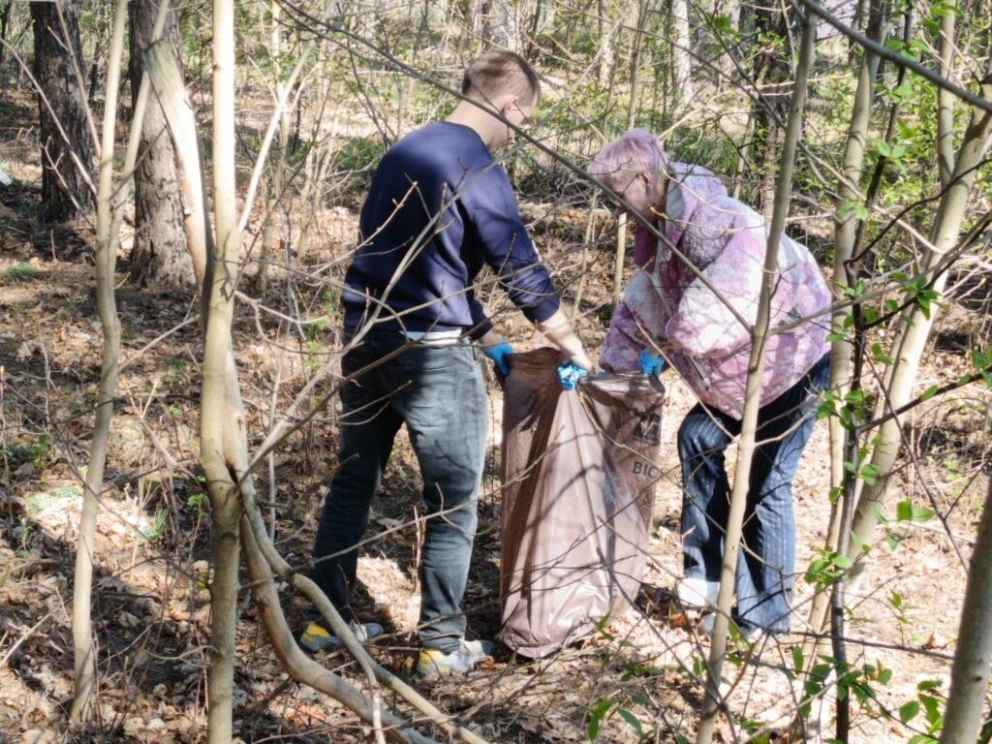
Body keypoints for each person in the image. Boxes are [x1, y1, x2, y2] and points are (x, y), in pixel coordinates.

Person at [301, 50, 592, 676]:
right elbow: (522, 272)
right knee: (453, 500)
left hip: (366, 339)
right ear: (510, 106)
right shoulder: (477, 166)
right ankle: (440, 645)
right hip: (430, 357)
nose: (517, 133)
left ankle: (325, 620)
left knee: (354, 481)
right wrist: (574, 348)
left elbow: (425, 267)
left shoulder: (404, 151)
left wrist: (490, 339)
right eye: (523, 121)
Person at [589, 129, 831, 636]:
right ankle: (707, 581)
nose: (615, 205)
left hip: (794, 365)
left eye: (617, 192)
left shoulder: (719, 219)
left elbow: (731, 302)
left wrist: (670, 340)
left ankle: (766, 622)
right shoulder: (660, 229)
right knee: (697, 439)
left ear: (645, 179)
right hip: (736, 379)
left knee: (767, 484)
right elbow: (644, 300)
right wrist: (611, 372)